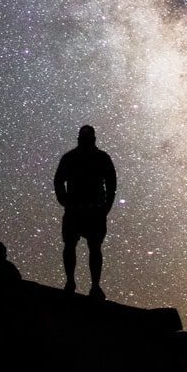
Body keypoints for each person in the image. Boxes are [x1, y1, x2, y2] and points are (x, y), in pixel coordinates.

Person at [54, 125, 117, 299]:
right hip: (77, 209)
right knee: (73, 246)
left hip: (93, 211)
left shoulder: (99, 158)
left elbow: (111, 185)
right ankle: (71, 281)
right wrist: (65, 201)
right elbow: (58, 181)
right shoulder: (72, 158)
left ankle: (93, 285)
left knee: (93, 247)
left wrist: (106, 207)